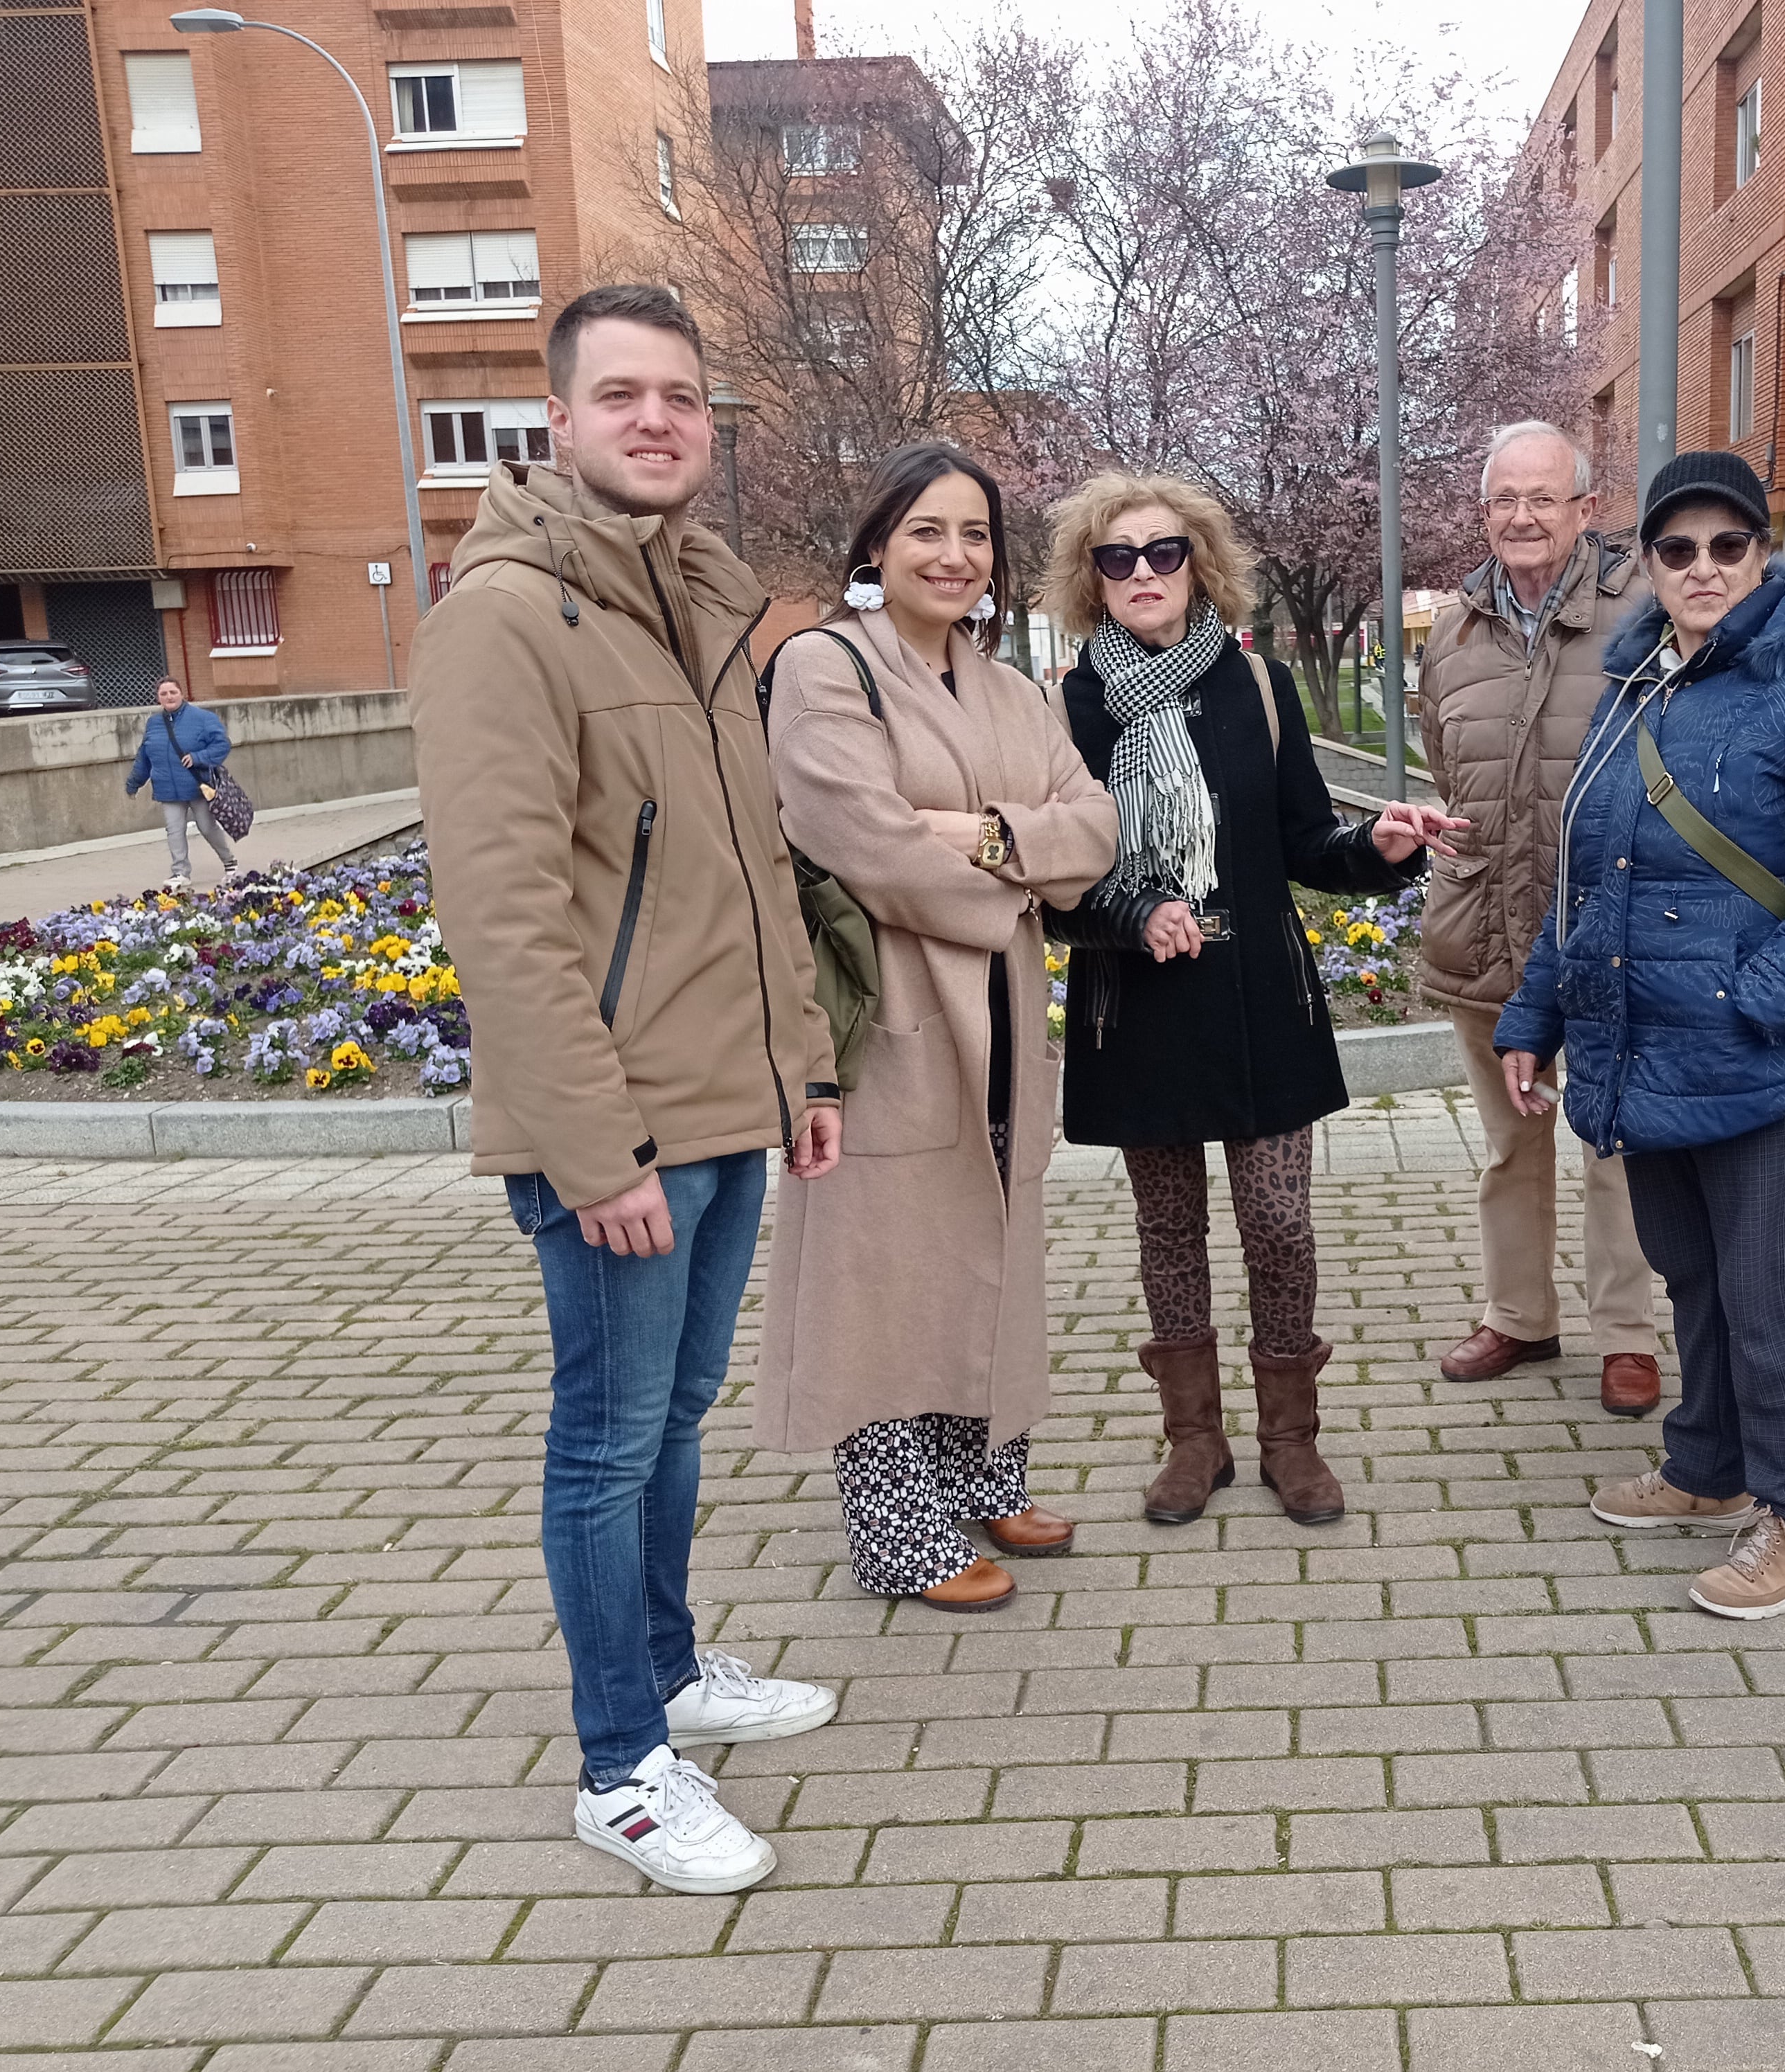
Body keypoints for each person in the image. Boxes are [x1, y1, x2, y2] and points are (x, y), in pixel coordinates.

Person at [409, 283, 842, 1896]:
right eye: (621, 395)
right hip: (622, 1134)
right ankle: (620, 1765)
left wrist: (797, 1063)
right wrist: (592, 1149)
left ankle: (666, 1668)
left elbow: (752, 873)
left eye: (680, 395)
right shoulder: (506, 617)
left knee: (671, 1419)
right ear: (561, 420)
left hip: (726, 1106)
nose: (656, 419)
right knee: (605, 1438)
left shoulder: (695, 603)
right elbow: (503, 915)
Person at [1497, 451, 1785, 1620]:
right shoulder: (1637, 682)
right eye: (1677, 549)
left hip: (1761, 1052)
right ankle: (1709, 1466)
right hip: (1649, 1047)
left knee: (1768, 1288)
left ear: (1763, 555)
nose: (1703, 567)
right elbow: (1588, 881)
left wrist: (1766, 997)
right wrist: (1536, 1012)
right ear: (1649, 562)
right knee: (1693, 1274)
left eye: (1728, 545)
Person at [1042, 472, 1460, 1530]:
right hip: (1133, 1009)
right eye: (1118, 557)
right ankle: (1195, 1442)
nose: (1143, 572)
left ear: (1201, 567)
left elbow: (1307, 845)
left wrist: (1377, 846)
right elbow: (1049, 882)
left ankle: (1291, 1441)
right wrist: (1132, 910)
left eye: (1164, 552)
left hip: (1260, 1001)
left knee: (1280, 1225)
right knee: (1168, 1230)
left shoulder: (1259, 686)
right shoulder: (1062, 707)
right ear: (1091, 579)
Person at [754, 444, 1120, 1615]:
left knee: (992, 1243)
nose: (954, 555)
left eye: (974, 535)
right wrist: (1017, 856)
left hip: (1006, 1014)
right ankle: (900, 1533)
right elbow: (859, 837)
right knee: (884, 1268)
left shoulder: (1013, 687)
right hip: (892, 1020)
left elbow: (1096, 827)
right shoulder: (823, 667)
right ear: (875, 545)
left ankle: (984, 1472)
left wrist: (976, 835)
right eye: (927, 531)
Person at [1416, 421, 1660, 1412]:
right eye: (1504, 501)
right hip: (1484, 928)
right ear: (1484, 515)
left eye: (1543, 498)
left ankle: (1628, 1337)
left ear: (1585, 511)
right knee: (1510, 1143)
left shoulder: (1643, 614)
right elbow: (1445, 764)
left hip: (1610, 930)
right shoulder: (1453, 630)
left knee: (1613, 1141)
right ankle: (1519, 1315)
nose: (1522, 517)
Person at [125, 678, 238, 886]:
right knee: (174, 830)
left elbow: (222, 745)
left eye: (173, 692)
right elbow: (145, 755)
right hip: (167, 788)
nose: (169, 697)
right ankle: (180, 872)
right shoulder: (154, 723)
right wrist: (134, 783)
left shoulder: (203, 718)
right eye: (164, 693)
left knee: (207, 827)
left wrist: (199, 757)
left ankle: (230, 863)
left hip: (197, 786)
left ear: (182, 694)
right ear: (158, 697)